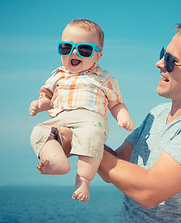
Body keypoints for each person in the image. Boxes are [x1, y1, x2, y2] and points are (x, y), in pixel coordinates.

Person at [56, 23, 181, 222]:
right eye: (162, 54)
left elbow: (150, 192)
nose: (159, 64)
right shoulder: (156, 114)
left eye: (170, 60)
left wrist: (78, 143)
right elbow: (116, 165)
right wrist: (76, 133)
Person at [29, 19, 134, 203]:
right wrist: (40, 104)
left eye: (84, 49)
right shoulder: (57, 75)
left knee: (92, 137)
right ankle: (55, 160)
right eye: (66, 47)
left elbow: (116, 103)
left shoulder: (103, 77)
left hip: (90, 118)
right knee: (39, 131)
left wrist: (123, 116)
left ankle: (83, 180)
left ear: (97, 56)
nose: (74, 52)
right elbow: (48, 98)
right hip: (60, 118)